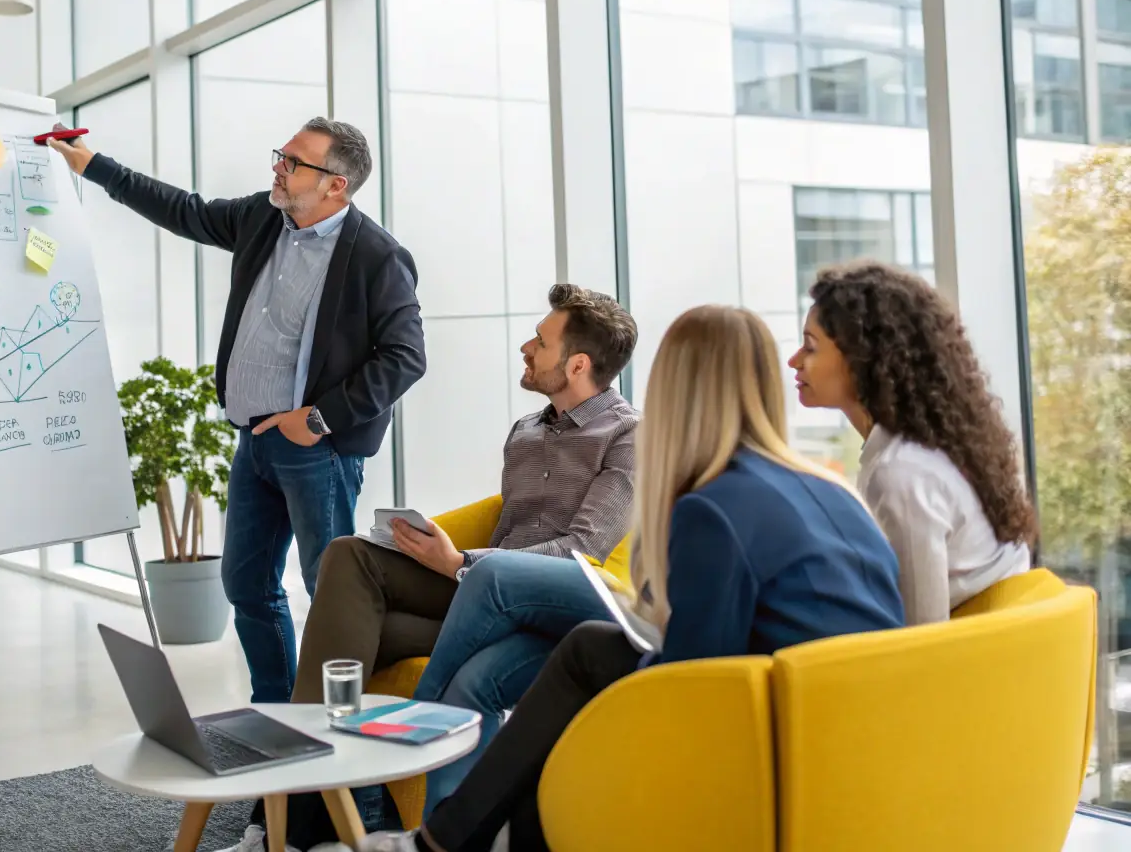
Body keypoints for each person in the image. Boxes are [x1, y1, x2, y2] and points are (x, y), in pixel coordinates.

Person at [359, 305, 906, 852]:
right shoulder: (835, 493)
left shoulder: (713, 509)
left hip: (771, 735)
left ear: (673, 394)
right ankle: (446, 837)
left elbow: (688, 682)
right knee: (536, 661)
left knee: (572, 664)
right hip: (862, 737)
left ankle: (439, 830)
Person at [230, 284, 638, 852]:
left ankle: (295, 817)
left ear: (577, 364)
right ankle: (332, 806)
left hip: (538, 603)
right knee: (349, 554)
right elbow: (507, 525)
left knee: (362, 634)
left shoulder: (626, 436)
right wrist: (436, 555)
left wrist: (460, 561)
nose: (526, 347)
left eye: (541, 342)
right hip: (475, 590)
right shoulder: (526, 430)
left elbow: (583, 550)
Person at [50, 119, 427, 702]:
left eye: (294, 161)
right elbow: (184, 211)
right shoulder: (261, 217)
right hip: (253, 441)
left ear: (336, 185)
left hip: (317, 450)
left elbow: (405, 358)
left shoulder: (377, 255)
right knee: (246, 584)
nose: (278, 165)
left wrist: (317, 419)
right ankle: (276, 711)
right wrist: (94, 166)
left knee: (332, 595)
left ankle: (343, 727)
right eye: (282, 154)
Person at [788, 260, 1037, 625]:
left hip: (967, 655)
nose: (794, 361)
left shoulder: (901, 473)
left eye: (810, 347)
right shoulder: (933, 450)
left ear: (861, 358)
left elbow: (921, 635)